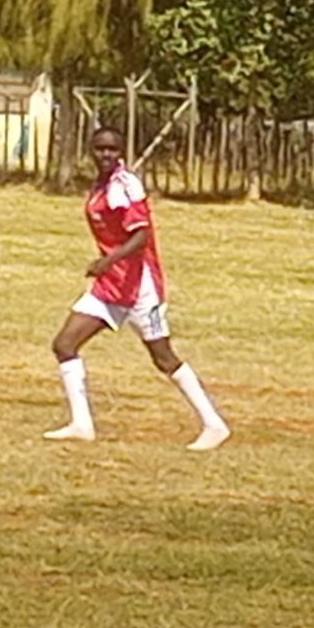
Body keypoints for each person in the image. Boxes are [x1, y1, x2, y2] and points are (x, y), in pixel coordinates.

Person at [46, 125, 230, 452]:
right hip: (111, 286)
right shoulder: (101, 183)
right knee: (64, 344)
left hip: (139, 287)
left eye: (112, 149)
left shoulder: (125, 185)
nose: (106, 154)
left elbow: (141, 236)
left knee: (163, 358)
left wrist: (107, 260)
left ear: (121, 152)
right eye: (100, 148)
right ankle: (81, 425)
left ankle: (214, 424)